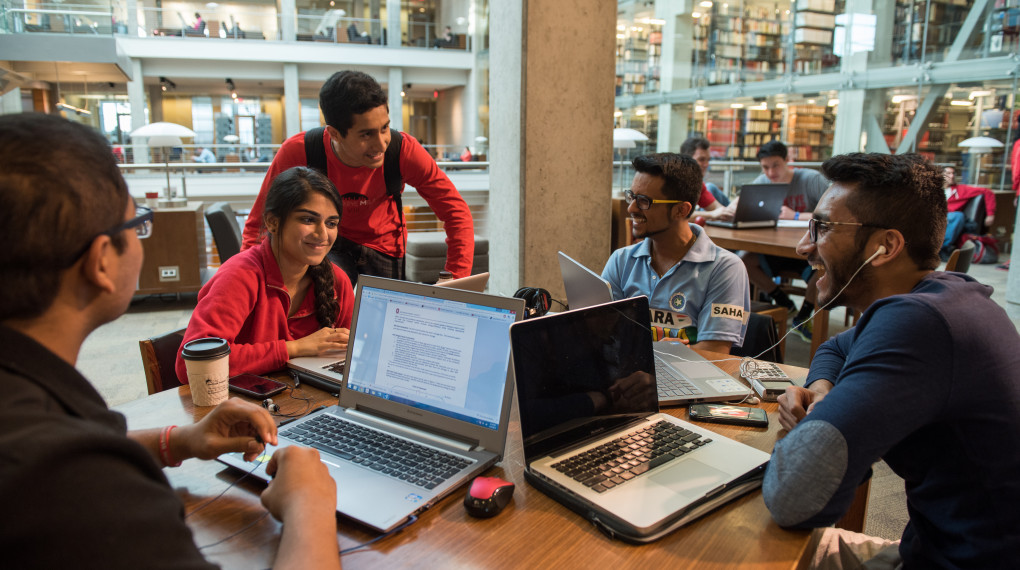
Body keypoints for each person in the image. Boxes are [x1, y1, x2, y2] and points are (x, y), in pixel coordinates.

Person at [0, 113, 341, 568]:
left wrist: (175, 442)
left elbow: (72, 439)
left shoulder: (34, 405)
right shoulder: (80, 487)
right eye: (138, 224)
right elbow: (69, 457)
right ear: (102, 261)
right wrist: (309, 504)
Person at [764, 152, 1020, 569]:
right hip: (926, 546)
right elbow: (834, 349)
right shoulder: (947, 297)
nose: (804, 245)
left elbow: (796, 497)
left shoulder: (917, 324)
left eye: (822, 227)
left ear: (885, 246)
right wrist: (824, 391)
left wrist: (820, 420)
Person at [242, 70, 474, 286]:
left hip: (384, 248)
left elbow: (456, 213)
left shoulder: (403, 150)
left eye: (384, 128)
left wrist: (455, 280)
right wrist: (246, 280)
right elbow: (260, 223)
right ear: (334, 133)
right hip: (329, 243)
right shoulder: (300, 151)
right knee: (328, 306)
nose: (381, 143)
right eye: (366, 134)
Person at [177, 167, 354, 382]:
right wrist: (294, 348)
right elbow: (193, 365)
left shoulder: (337, 281)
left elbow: (353, 355)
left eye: (331, 223)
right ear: (272, 222)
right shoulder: (239, 276)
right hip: (238, 406)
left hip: (306, 403)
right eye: (308, 220)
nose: (323, 234)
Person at [601, 153, 750, 353]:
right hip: (624, 377)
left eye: (644, 201)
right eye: (632, 196)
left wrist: (666, 357)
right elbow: (603, 332)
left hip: (686, 380)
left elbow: (715, 351)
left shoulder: (725, 268)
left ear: (681, 210)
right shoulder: (621, 260)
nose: (631, 208)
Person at [720, 140, 828, 340]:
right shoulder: (763, 181)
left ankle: (803, 316)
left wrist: (795, 216)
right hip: (772, 248)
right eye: (765, 167)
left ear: (788, 160)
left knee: (824, 264)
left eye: (776, 165)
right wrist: (730, 209)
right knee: (741, 260)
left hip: (807, 249)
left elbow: (831, 214)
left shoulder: (811, 179)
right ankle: (782, 301)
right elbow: (741, 199)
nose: (770, 173)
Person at [941, 164, 996, 260]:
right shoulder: (934, 189)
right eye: (948, 173)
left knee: (958, 216)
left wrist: (990, 214)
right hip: (935, 216)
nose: (952, 176)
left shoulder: (961, 189)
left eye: (953, 173)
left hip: (951, 217)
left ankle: (943, 248)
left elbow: (988, 192)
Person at [678, 136, 729, 217]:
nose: (706, 164)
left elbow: (718, 209)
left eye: (708, 160)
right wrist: (711, 215)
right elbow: (677, 215)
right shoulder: (674, 181)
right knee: (711, 187)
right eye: (701, 159)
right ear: (687, 160)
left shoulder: (697, 184)